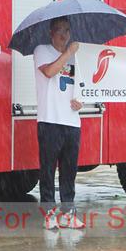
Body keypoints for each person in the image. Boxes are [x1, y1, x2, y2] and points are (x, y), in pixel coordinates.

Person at [34, 17, 85, 230]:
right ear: (51, 33)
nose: (64, 35)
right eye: (59, 31)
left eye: (67, 30)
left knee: (69, 171)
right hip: (50, 120)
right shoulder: (41, 50)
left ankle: (68, 213)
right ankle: (49, 213)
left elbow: (82, 86)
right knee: (48, 170)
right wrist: (68, 53)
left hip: (71, 122)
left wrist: (80, 101)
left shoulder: (76, 59)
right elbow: (49, 72)